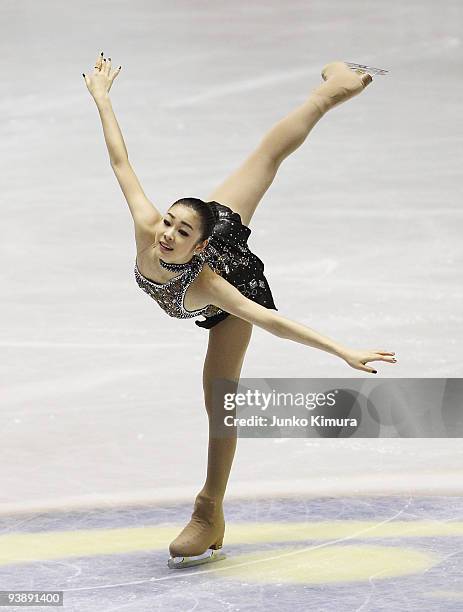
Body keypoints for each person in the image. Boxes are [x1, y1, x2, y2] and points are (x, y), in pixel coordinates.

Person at [83, 53, 397, 569]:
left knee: (219, 404)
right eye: (168, 223)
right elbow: (121, 163)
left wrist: (342, 350)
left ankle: (209, 511)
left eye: (182, 233)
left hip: (234, 287)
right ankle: (333, 87)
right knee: (267, 155)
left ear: (199, 247)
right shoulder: (152, 230)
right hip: (217, 231)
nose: (167, 235)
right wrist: (102, 96)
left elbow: (271, 321)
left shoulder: (211, 284)